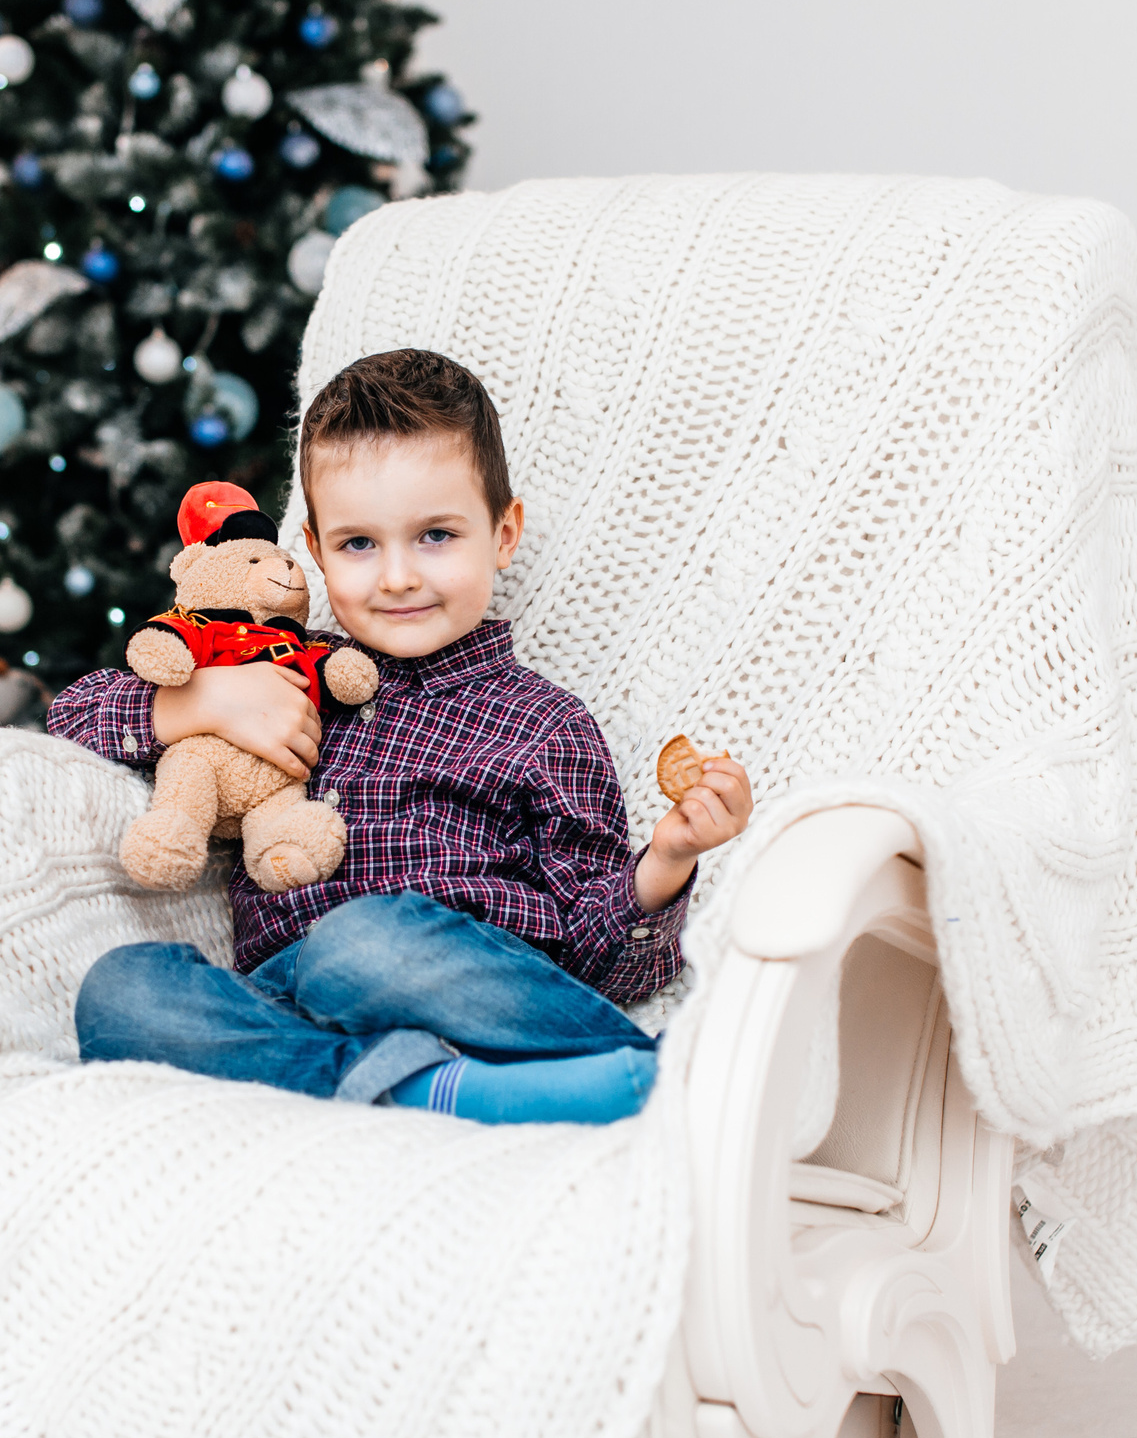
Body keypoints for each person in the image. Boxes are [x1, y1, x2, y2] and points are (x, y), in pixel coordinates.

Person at [45, 348, 752, 1123]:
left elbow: (602, 955)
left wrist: (669, 857)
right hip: (289, 1001)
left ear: (503, 533)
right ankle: (414, 1092)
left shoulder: (542, 722)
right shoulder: (279, 668)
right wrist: (201, 702)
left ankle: (657, 1080)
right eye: (359, 545)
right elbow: (71, 719)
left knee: (359, 945)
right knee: (121, 993)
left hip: (462, 983)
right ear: (314, 552)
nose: (397, 577)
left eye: (436, 536)